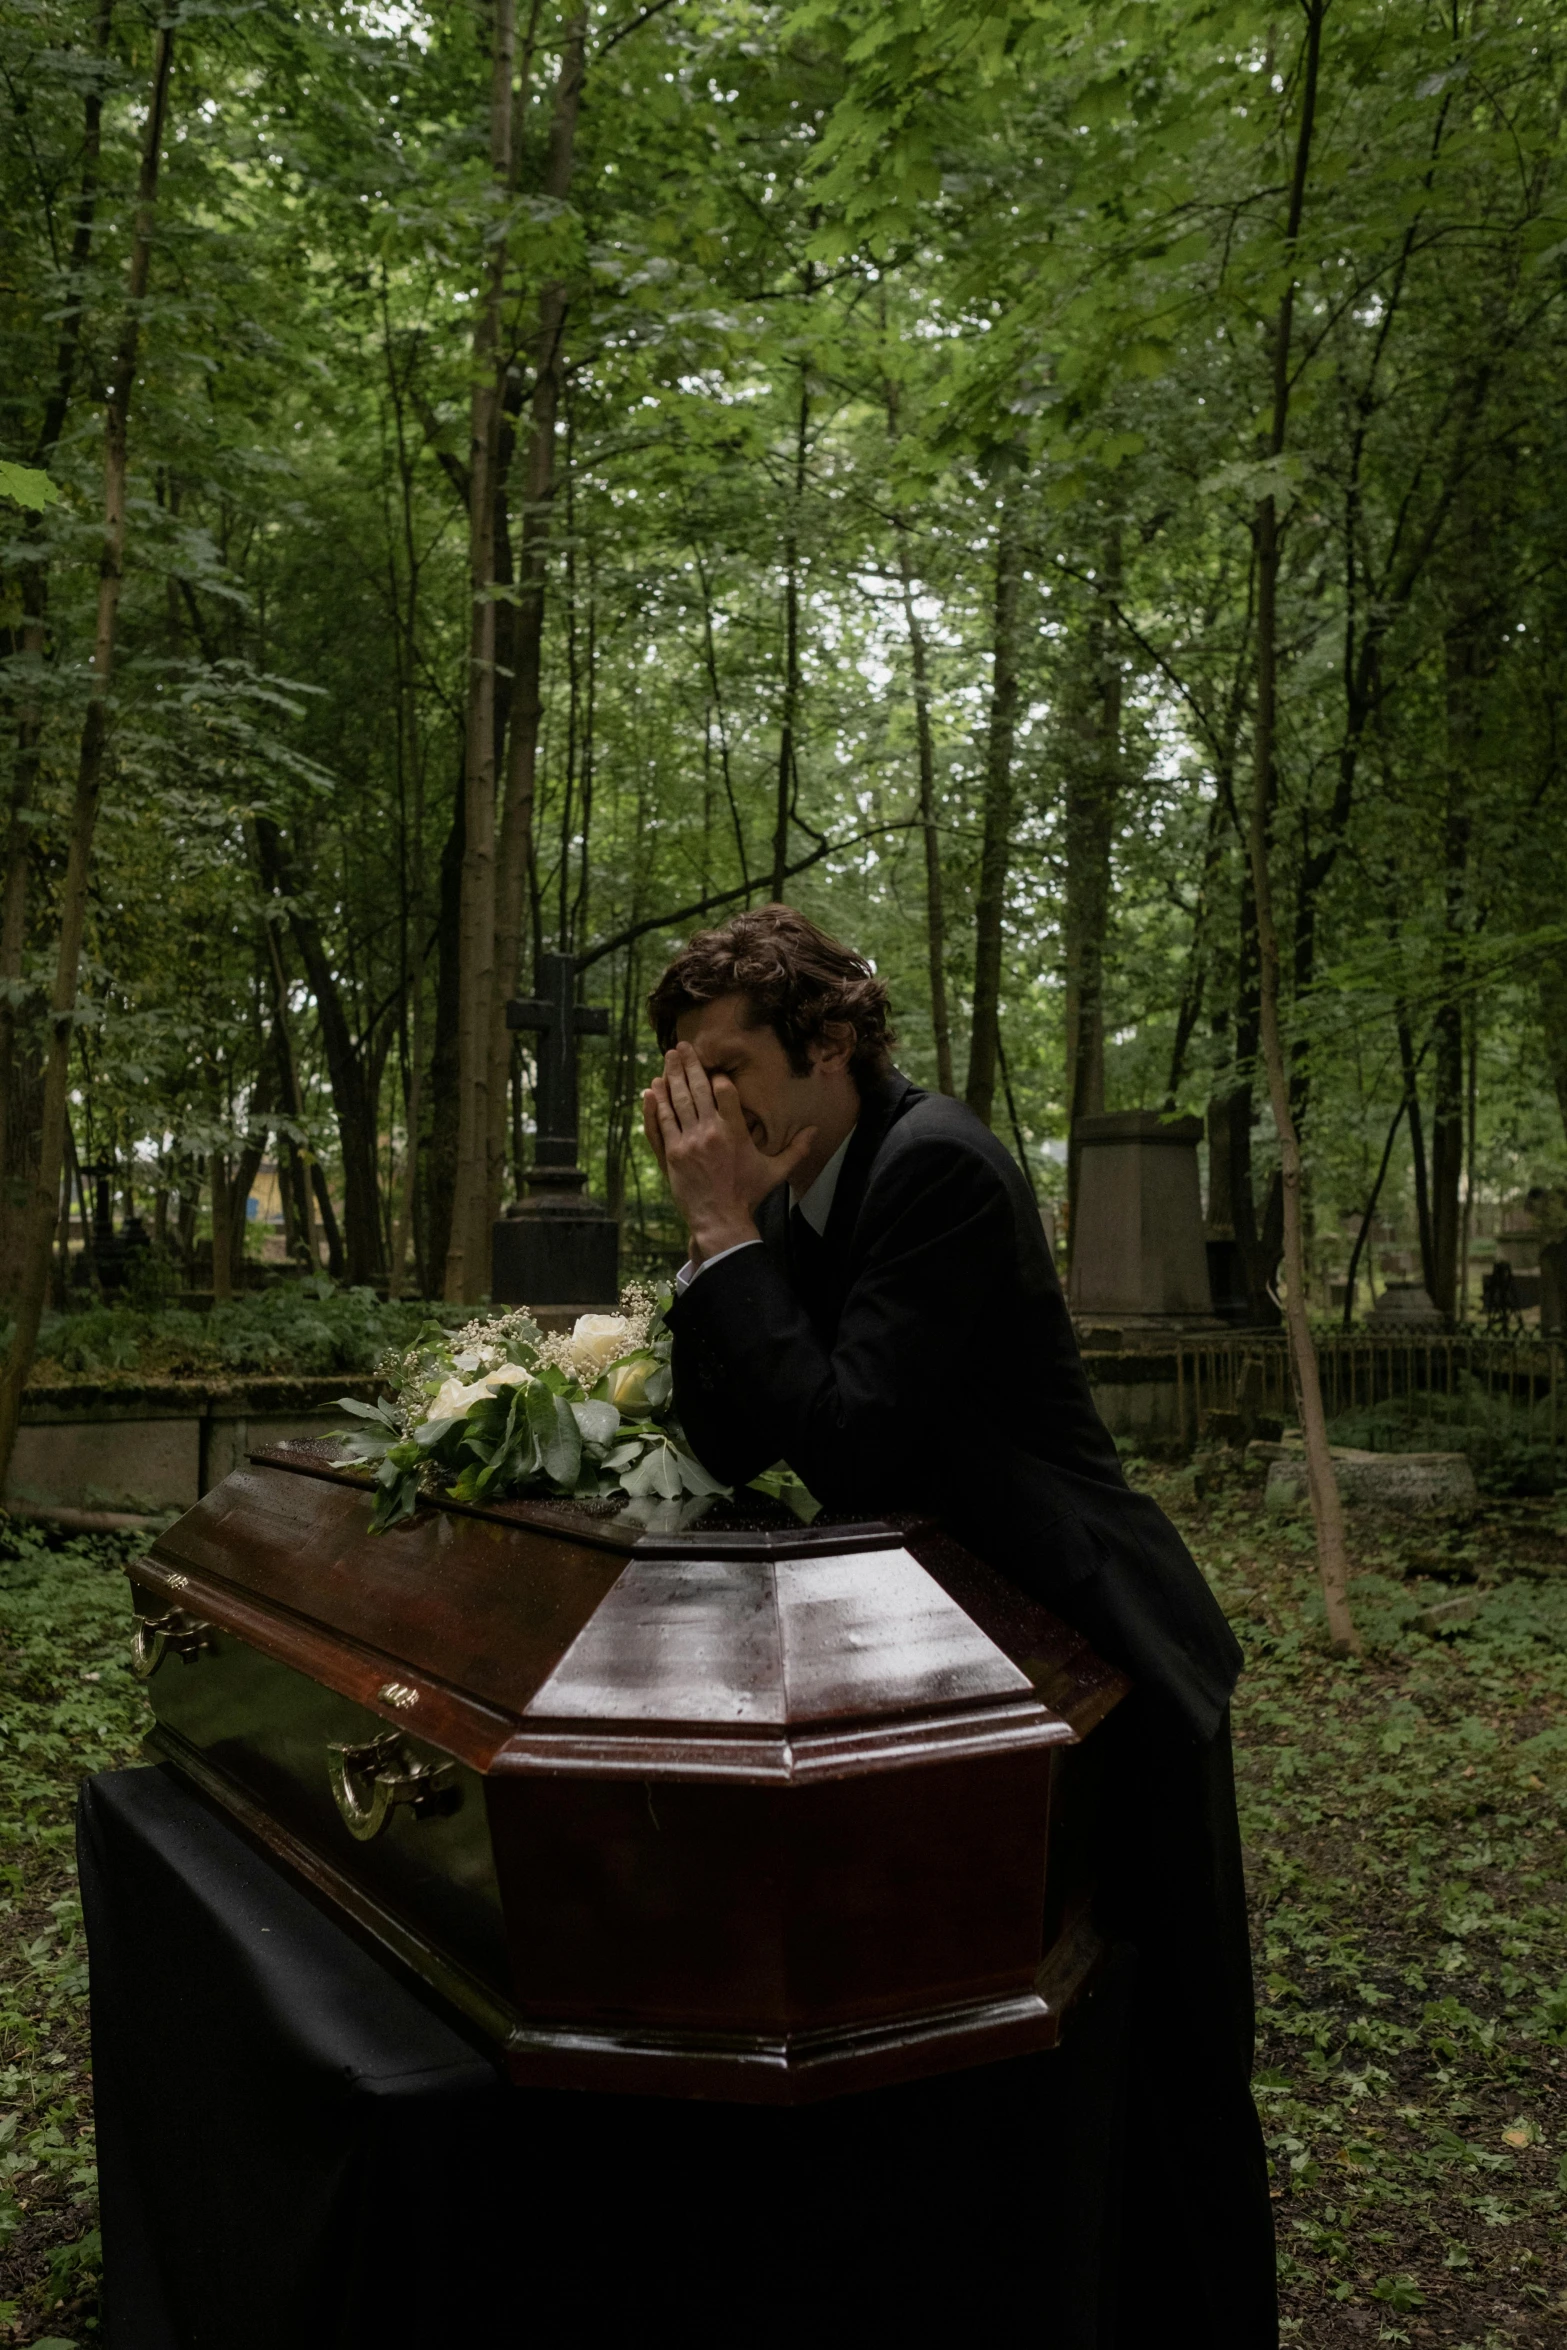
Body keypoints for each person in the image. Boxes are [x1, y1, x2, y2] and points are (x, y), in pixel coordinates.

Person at [643, 903, 1278, 2346]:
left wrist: (726, 1232)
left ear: (833, 1041)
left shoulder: (935, 1165)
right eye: (686, 1072)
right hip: (970, 1658)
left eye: (728, 1062)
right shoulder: (799, 1177)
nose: (707, 1103)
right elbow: (743, 1439)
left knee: (1160, 2046)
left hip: (1096, 1639)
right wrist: (720, 1237)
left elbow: (854, 1437)